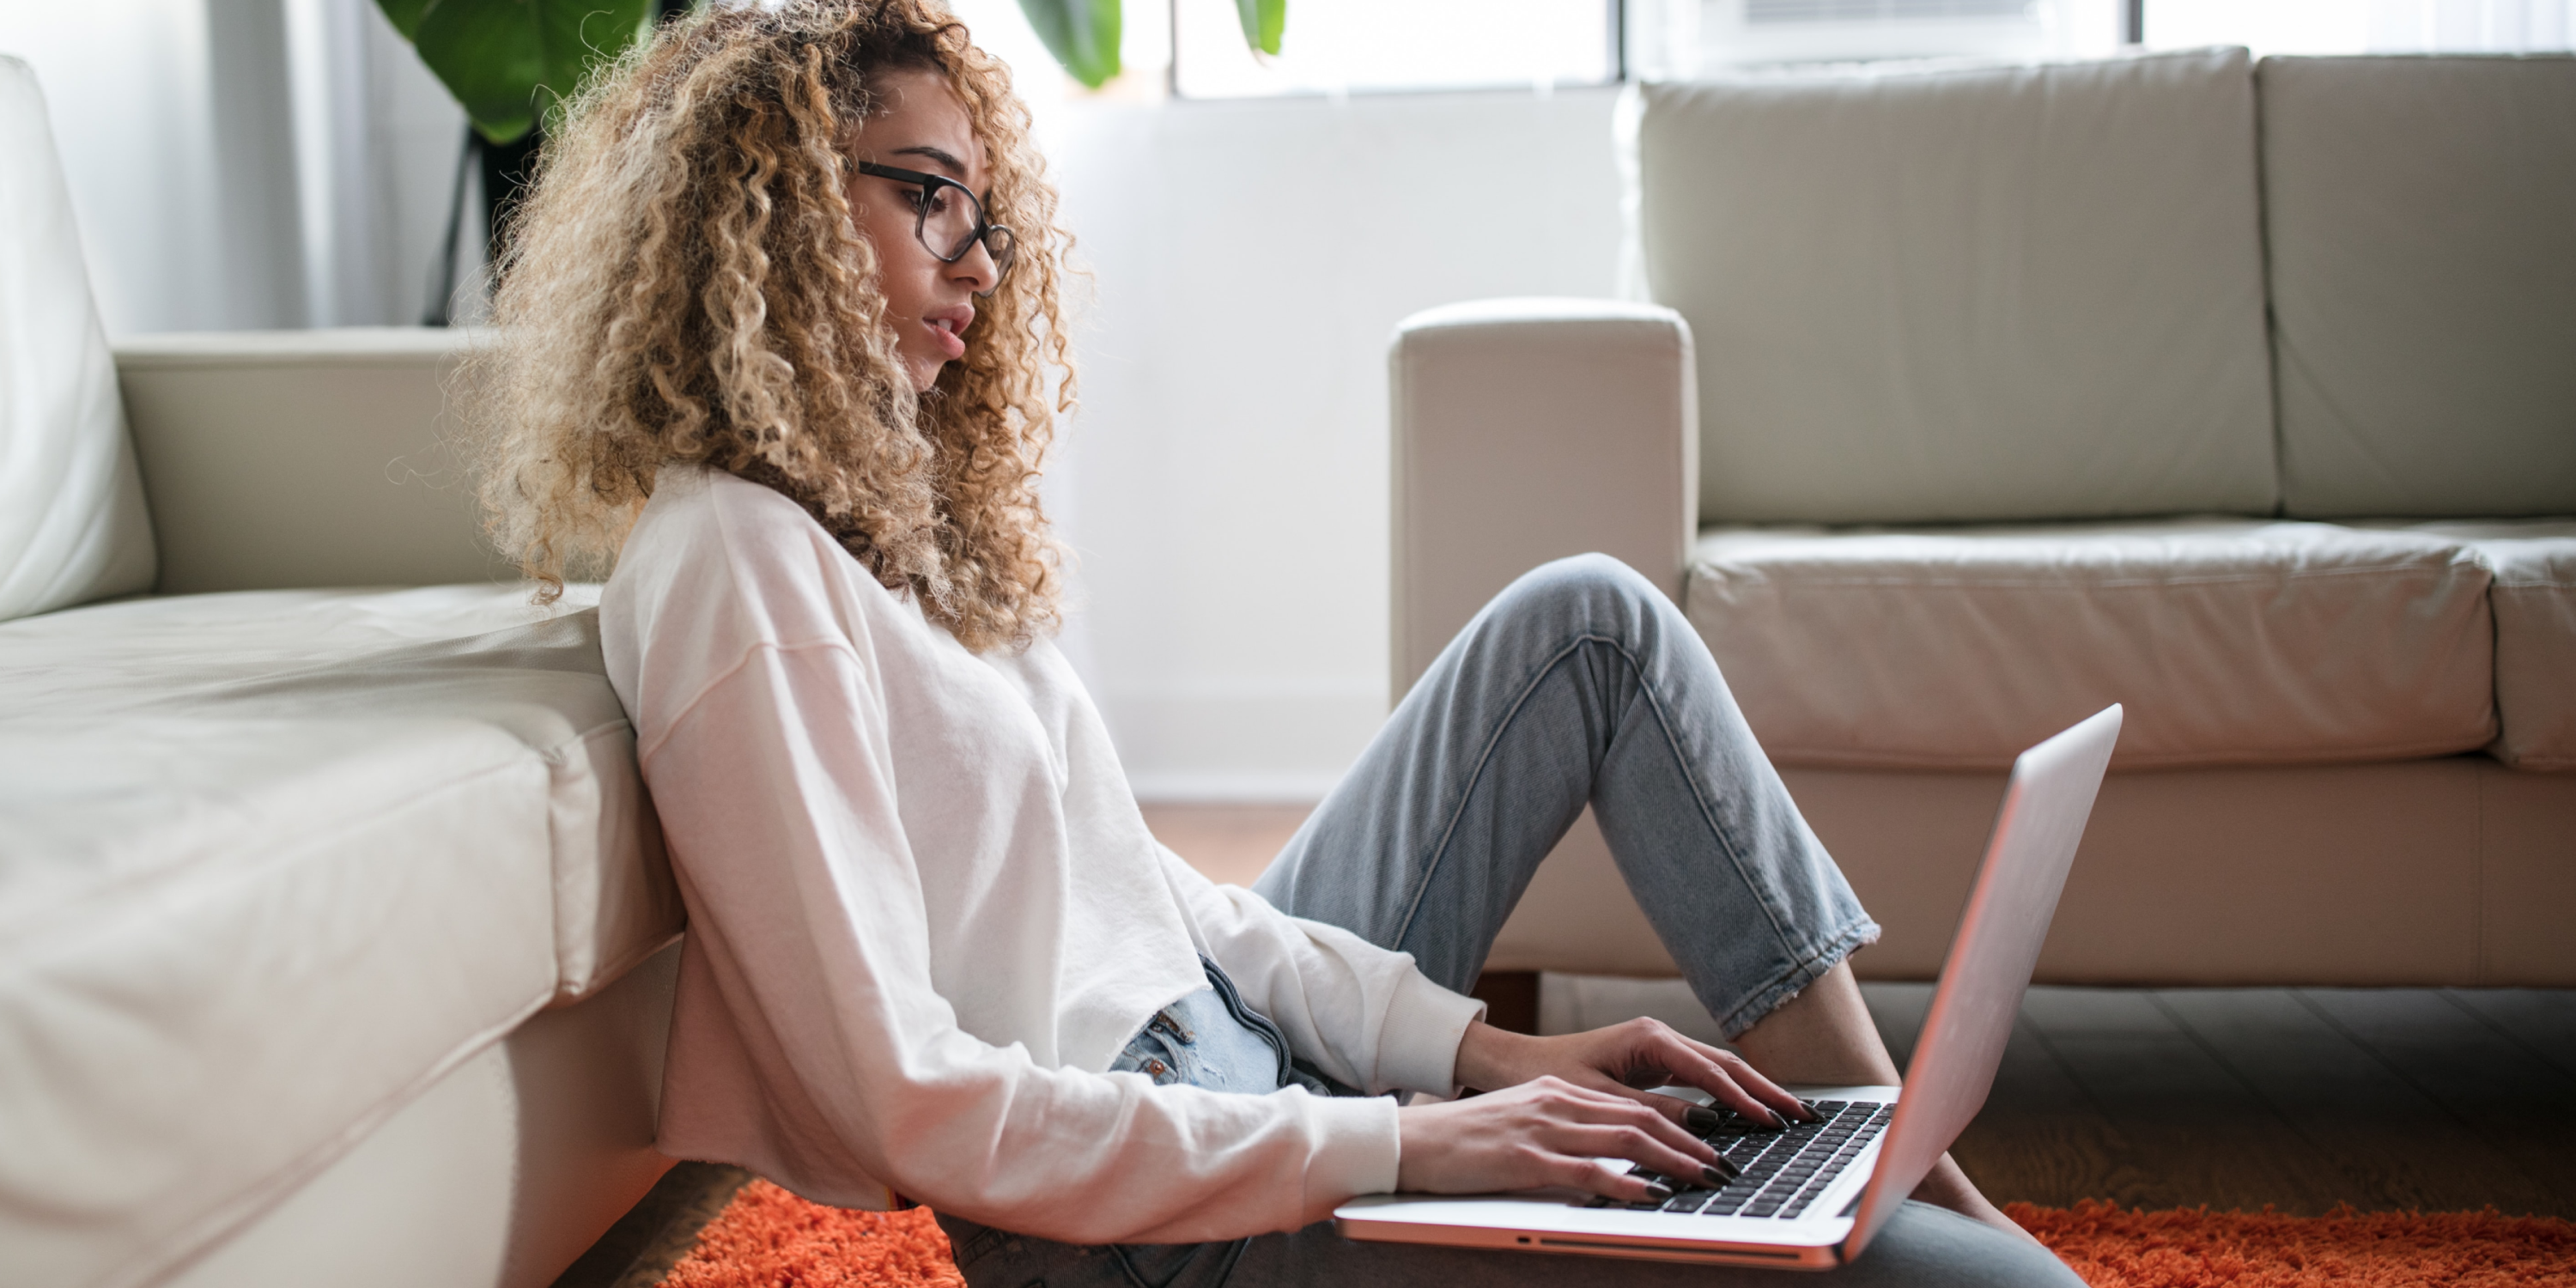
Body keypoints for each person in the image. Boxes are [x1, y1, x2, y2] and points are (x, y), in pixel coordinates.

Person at [462, 3, 2083, 1285]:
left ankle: (1885, 1162)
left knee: (1587, 620)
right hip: (1169, 1239)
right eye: (930, 198)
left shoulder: (884, 538)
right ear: (777, 214)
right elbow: (909, 1100)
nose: (979, 258)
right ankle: (1894, 1200)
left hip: (1250, 1084)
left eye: (987, 213)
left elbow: (1162, 903)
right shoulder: (735, 567)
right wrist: (1405, 1143)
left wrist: (1478, 1051)